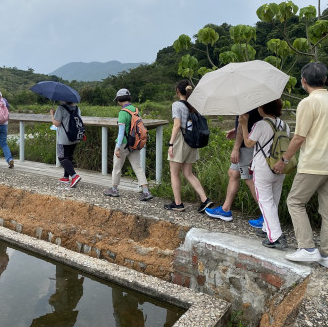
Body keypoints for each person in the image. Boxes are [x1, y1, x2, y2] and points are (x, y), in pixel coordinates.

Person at [274, 63, 328, 268]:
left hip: (313, 164)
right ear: (325, 80)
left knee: (295, 202)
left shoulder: (308, 103)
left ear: (303, 80)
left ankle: (307, 248)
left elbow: (298, 138)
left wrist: (284, 160)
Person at [239, 99, 289, 249]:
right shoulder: (284, 125)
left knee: (265, 201)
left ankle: (276, 236)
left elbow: (248, 143)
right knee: (274, 200)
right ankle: (267, 229)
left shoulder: (261, 124)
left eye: (260, 106)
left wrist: (243, 124)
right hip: (280, 167)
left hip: (263, 167)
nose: (258, 108)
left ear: (264, 108)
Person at [205, 109, 261, 222]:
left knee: (250, 179)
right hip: (247, 142)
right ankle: (225, 209)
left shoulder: (246, 100)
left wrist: (235, 148)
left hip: (247, 146)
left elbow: (243, 122)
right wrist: (236, 129)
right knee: (233, 173)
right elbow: (248, 122)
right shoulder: (251, 98)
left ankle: (267, 216)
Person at [164, 80, 211, 212]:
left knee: (174, 173)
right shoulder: (194, 105)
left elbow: (177, 125)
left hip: (181, 139)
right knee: (188, 172)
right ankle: (204, 199)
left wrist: (171, 143)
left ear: (178, 91)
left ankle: (178, 203)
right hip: (193, 141)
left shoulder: (177, 105)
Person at [103, 89, 153, 201]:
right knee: (138, 166)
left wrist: (117, 148)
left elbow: (121, 133)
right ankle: (145, 191)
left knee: (117, 167)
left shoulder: (122, 113)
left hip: (124, 144)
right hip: (135, 143)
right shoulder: (135, 110)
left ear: (119, 100)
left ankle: (114, 189)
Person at [50, 101, 82, 188]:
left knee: (62, 157)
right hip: (74, 137)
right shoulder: (77, 108)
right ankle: (65, 177)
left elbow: (56, 123)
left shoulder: (61, 108)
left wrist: (52, 115)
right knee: (69, 157)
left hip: (64, 138)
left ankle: (74, 176)